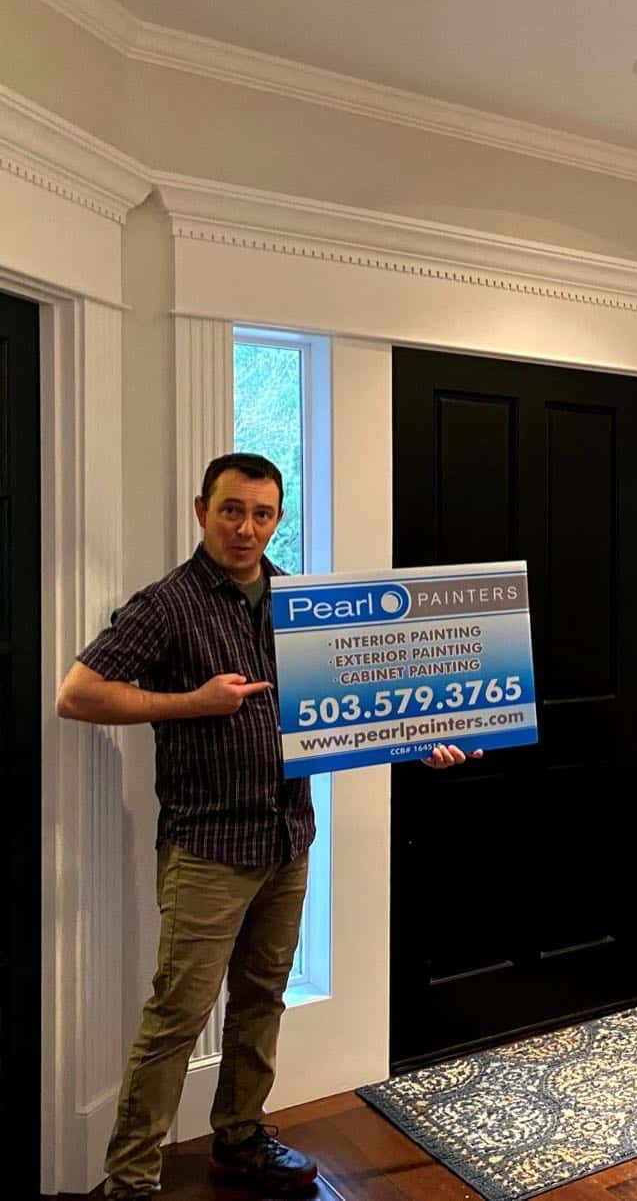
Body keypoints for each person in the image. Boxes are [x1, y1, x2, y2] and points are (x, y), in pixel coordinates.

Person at [57, 452, 479, 1198]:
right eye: (231, 510)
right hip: (209, 850)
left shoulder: (305, 606)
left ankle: (241, 1140)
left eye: (261, 513)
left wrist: (425, 747)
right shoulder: (167, 605)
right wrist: (192, 702)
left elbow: (361, 709)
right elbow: (79, 694)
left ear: (277, 517)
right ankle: (129, 1181)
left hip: (288, 840)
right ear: (201, 511)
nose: (246, 528)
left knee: (261, 999)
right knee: (177, 1018)